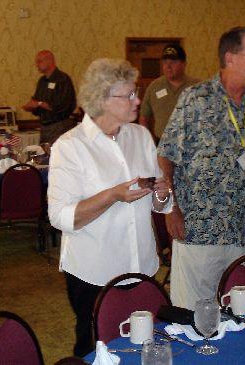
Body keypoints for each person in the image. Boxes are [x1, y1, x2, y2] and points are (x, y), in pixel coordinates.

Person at [48, 58, 172, 357]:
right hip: (94, 272)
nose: (138, 100)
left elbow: (160, 205)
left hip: (141, 266)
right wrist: (112, 196)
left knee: (141, 345)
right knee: (95, 350)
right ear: (102, 99)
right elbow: (60, 216)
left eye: (136, 93)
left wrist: (162, 194)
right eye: (129, 95)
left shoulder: (140, 136)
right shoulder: (70, 146)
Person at [157, 26, 245, 310]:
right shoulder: (195, 99)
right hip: (198, 229)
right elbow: (165, 156)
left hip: (241, 231)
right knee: (193, 315)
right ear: (230, 58)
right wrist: (170, 209)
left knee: (237, 314)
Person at [139, 43, 199, 143]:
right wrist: (149, 141)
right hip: (161, 143)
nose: (168, 66)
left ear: (184, 64)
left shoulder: (197, 86)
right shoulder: (154, 87)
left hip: (191, 144)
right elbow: (143, 117)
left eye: (173, 62)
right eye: (165, 62)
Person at [22, 50, 76, 144]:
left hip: (60, 127)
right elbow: (37, 102)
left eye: (39, 61)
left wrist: (39, 104)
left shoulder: (62, 79)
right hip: (44, 128)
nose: (37, 65)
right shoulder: (42, 81)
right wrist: (31, 107)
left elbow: (63, 106)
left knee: (57, 152)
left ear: (49, 61)